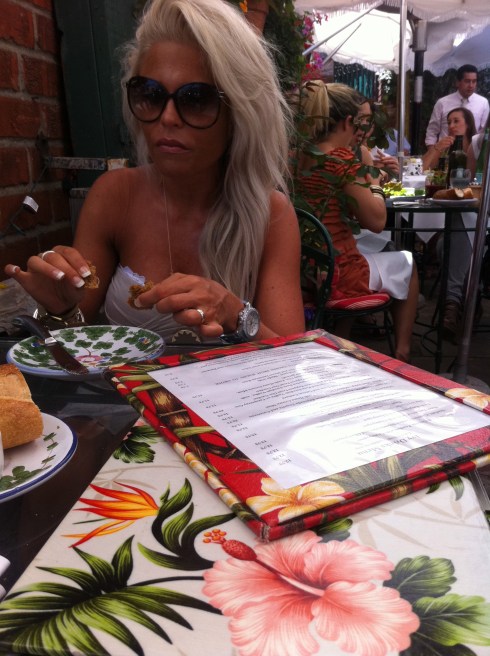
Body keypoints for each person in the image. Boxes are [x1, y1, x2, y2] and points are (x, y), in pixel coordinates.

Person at [4, 0, 305, 346]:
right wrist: (60, 309)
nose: (168, 118)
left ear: (239, 113)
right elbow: (76, 337)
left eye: (196, 99)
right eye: (150, 94)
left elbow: (294, 358)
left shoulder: (271, 216)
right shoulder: (115, 195)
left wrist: (236, 314)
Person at [296, 80, 419, 363]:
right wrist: (374, 183)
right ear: (348, 122)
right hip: (339, 273)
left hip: (307, 269)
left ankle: (341, 347)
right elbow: (376, 220)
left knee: (367, 252)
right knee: (409, 263)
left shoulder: (301, 155)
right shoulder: (340, 159)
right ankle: (402, 353)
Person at [425, 64, 489, 147]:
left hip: (472, 150)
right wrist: (432, 151)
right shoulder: (442, 103)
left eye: (474, 81)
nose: (471, 85)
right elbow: (432, 131)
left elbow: (485, 132)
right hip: (445, 151)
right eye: (467, 81)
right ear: (458, 82)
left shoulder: (483, 103)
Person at [422, 106, 476, 171]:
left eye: (456, 121)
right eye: (449, 123)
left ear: (468, 124)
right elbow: (420, 169)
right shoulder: (446, 147)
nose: (451, 126)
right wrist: (436, 147)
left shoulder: (477, 146)